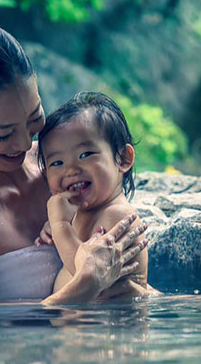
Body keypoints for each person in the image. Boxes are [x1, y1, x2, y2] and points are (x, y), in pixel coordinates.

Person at [0, 21, 148, 303]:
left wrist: (135, 292)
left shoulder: (60, 168)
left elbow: (129, 285)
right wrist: (87, 284)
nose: (24, 144)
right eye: (3, 133)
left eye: (34, 117)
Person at [38, 92, 149, 297]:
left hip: (109, 326)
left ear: (123, 158)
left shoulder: (117, 216)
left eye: (85, 155)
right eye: (57, 163)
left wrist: (60, 226)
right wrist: (60, 226)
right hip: (89, 324)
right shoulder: (83, 211)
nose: (70, 169)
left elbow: (89, 274)